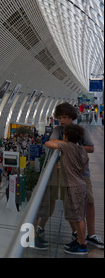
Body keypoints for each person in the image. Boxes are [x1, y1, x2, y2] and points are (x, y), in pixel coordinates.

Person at [40, 102, 103, 249]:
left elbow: (91, 148)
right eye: (60, 117)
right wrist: (69, 145)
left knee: (89, 202)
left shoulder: (81, 131)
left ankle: (90, 235)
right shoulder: (57, 129)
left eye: (66, 117)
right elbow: (51, 141)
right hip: (64, 174)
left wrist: (71, 147)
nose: (62, 120)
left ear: (72, 117)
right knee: (71, 206)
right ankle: (78, 234)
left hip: (82, 175)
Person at [45, 124, 89, 254]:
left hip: (73, 186)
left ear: (65, 136)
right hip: (81, 184)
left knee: (78, 217)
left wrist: (62, 142)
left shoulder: (66, 146)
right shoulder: (82, 150)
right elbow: (82, 169)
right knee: (79, 216)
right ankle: (79, 241)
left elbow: (48, 143)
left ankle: (82, 245)